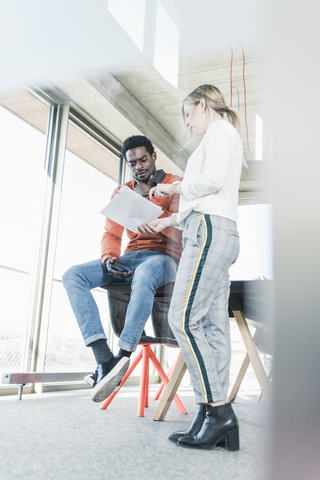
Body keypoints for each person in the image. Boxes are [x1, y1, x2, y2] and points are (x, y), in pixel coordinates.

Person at [138, 85, 242, 451]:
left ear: (201, 105)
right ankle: (211, 413)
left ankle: (217, 410)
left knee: (182, 318)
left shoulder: (218, 130)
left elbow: (209, 180)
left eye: (187, 115)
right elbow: (213, 194)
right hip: (217, 228)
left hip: (210, 231)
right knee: (213, 327)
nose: (187, 123)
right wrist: (171, 221)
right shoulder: (224, 135)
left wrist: (174, 188)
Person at [62, 135, 182, 403]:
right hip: (130, 256)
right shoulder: (122, 191)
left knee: (145, 274)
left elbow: (180, 228)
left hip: (164, 258)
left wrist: (153, 211)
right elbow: (112, 235)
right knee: (73, 275)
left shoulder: (174, 185)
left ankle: (123, 356)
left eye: (143, 159)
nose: (139, 166)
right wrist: (108, 258)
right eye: (132, 162)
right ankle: (104, 360)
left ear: (153, 157)